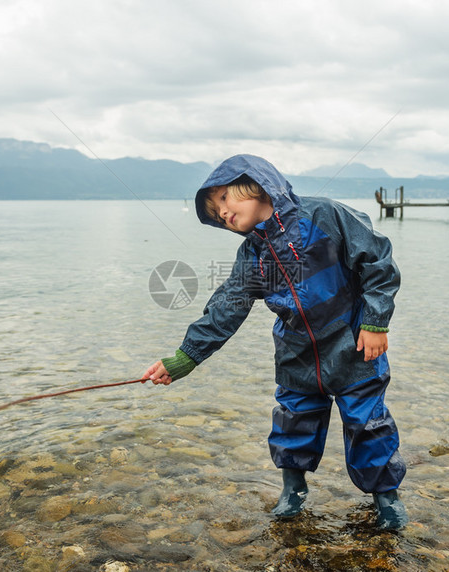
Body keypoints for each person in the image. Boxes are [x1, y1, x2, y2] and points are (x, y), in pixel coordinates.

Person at [144, 154, 408, 530]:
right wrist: (185, 358)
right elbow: (226, 308)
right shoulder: (253, 255)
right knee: (292, 422)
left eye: (223, 199)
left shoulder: (325, 217)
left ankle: (386, 497)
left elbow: (378, 261)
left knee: (368, 424)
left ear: (253, 183)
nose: (222, 213)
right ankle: (293, 489)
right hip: (296, 356)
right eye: (215, 213)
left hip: (355, 347)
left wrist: (376, 322)